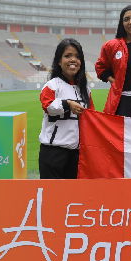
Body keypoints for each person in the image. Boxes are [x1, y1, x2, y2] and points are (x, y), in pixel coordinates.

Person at [38, 38, 93, 179]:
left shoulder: (85, 89)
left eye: (77, 56)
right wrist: (68, 104)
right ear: (59, 61)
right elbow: (48, 106)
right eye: (67, 56)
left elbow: (91, 116)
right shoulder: (51, 85)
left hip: (76, 153)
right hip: (53, 153)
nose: (73, 60)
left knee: (71, 196)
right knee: (51, 196)